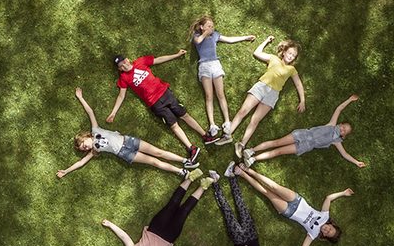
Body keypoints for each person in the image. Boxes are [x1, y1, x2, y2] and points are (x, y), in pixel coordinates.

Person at [100, 173, 215, 246]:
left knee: (173, 204)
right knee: (184, 211)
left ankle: (190, 178)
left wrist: (110, 225)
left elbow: (124, 236)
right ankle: (203, 186)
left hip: (155, 228)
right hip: (169, 236)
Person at [231, 162, 350, 246]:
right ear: (331, 224)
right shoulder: (325, 215)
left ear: (324, 236)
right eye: (330, 228)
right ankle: (249, 170)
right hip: (297, 201)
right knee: (274, 186)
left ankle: (242, 174)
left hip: (288, 211)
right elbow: (328, 198)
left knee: (267, 193)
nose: (327, 229)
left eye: (327, 233)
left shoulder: (313, 234)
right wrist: (343, 193)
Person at [57, 87, 192, 178]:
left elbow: (90, 111)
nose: (85, 147)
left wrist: (80, 97)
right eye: (83, 148)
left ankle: (185, 160)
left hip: (129, 141)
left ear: (86, 136)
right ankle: (180, 171)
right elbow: (81, 163)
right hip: (125, 153)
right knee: (154, 162)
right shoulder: (94, 151)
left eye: (83, 144)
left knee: (158, 152)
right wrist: (66, 171)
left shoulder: (95, 130)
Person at [106, 51, 205, 160]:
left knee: (184, 115)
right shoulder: (124, 78)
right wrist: (113, 113)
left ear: (128, 59)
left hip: (165, 93)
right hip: (155, 104)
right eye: (121, 66)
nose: (124, 65)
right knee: (173, 125)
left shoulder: (140, 62)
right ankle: (191, 148)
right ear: (120, 69)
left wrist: (176, 55)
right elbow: (121, 95)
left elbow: (158, 59)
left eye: (124, 61)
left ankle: (205, 136)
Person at [223, 36, 305, 154]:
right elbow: (257, 53)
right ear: (285, 51)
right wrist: (266, 41)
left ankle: (241, 145)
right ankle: (228, 134)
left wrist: (302, 100)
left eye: (293, 56)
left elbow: (298, 84)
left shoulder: (291, 69)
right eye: (290, 53)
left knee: (255, 120)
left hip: (273, 94)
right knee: (243, 111)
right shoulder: (273, 58)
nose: (291, 56)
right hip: (261, 87)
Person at [244, 94, 367, 168]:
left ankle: (254, 159)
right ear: (340, 124)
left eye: (345, 131)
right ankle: (251, 151)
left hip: (305, 146)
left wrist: (356, 162)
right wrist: (350, 100)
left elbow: (345, 154)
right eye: (344, 126)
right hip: (303, 134)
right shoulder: (332, 124)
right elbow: (339, 109)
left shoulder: (336, 141)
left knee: (279, 151)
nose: (343, 129)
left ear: (344, 135)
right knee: (277, 142)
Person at [186, 16, 256, 144]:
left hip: (215, 64)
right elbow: (197, 42)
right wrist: (205, 33)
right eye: (208, 26)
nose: (211, 28)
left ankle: (227, 121)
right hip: (204, 66)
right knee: (209, 96)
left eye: (212, 26)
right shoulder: (197, 35)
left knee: (220, 94)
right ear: (202, 27)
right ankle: (212, 125)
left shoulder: (215, 35)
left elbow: (229, 40)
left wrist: (245, 37)